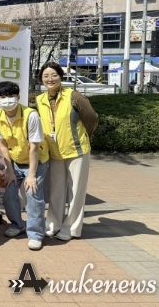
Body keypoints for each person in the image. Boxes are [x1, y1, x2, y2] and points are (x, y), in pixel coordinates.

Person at [36, 62, 98, 241]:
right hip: (54, 152)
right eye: (46, 76)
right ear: (41, 79)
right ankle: (53, 224)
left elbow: (92, 118)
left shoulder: (74, 96)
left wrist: (84, 136)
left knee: (76, 191)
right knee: (56, 191)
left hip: (76, 150)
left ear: (60, 76)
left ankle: (71, 228)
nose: (50, 79)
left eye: (54, 75)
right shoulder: (40, 100)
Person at [0, 81, 49, 251]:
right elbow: (2, 145)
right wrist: (10, 171)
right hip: (15, 161)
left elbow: (34, 147)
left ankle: (36, 234)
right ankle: (17, 224)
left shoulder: (31, 115)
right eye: (3, 96)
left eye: (11, 96)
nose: (7, 100)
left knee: (32, 193)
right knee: (9, 192)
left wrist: (31, 175)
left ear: (18, 96)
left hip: (36, 161)